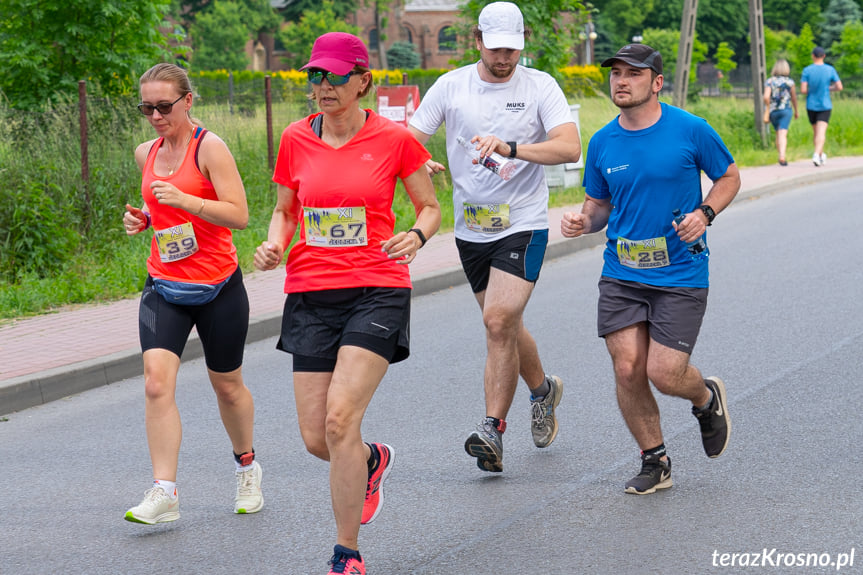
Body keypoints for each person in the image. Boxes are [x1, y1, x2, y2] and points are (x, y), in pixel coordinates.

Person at [253, 33, 440, 575]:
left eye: (335, 77)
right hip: (310, 292)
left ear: (363, 81)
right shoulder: (294, 138)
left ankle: (346, 553)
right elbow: (286, 211)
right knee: (318, 437)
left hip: (377, 287)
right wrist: (273, 244)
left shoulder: (396, 139)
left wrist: (418, 236)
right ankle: (371, 460)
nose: (324, 87)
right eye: (316, 76)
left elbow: (429, 207)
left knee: (339, 421)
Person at [408, 1, 581, 475]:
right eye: (498, 49)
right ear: (478, 42)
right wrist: (416, 159)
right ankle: (543, 391)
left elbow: (570, 145)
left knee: (498, 319)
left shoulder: (540, 85)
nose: (506, 58)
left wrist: (512, 148)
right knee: (502, 323)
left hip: (523, 222)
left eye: (514, 49)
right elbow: (409, 139)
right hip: (472, 229)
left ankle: (491, 430)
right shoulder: (451, 86)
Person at [561, 44, 740, 495]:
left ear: (656, 82)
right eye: (616, 73)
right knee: (627, 369)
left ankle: (704, 398)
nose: (621, 81)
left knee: (663, 372)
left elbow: (730, 176)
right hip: (622, 271)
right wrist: (584, 222)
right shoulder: (603, 141)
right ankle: (655, 460)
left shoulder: (690, 129)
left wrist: (705, 213)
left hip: (680, 273)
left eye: (633, 74)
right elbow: (599, 206)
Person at [122, 63, 262, 523]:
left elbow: (239, 214)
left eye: (164, 106)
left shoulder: (211, 148)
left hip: (218, 284)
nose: (156, 116)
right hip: (164, 280)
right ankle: (165, 491)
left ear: (188, 101)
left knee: (227, 387)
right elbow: (156, 203)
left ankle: (246, 465)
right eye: (147, 107)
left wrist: (187, 202)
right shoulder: (147, 152)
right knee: (156, 382)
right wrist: (144, 217)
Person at [800, 46, 843, 166]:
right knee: (821, 132)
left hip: (811, 105)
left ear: (813, 56)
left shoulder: (807, 70)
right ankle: (816, 154)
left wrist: (812, 91)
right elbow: (839, 87)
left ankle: (820, 154)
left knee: (816, 132)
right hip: (825, 104)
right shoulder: (830, 70)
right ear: (824, 56)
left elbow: (803, 89)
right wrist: (829, 88)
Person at [763, 59, 798, 166]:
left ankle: (780, 154)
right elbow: (794, 98)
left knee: (778, 133)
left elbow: (766, 96)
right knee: (783, 133)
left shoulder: (769, 81)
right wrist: (796, 110)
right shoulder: (790, 82)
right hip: (786, 110)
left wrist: (768, 106)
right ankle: (782, 156)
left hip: (773, 111)